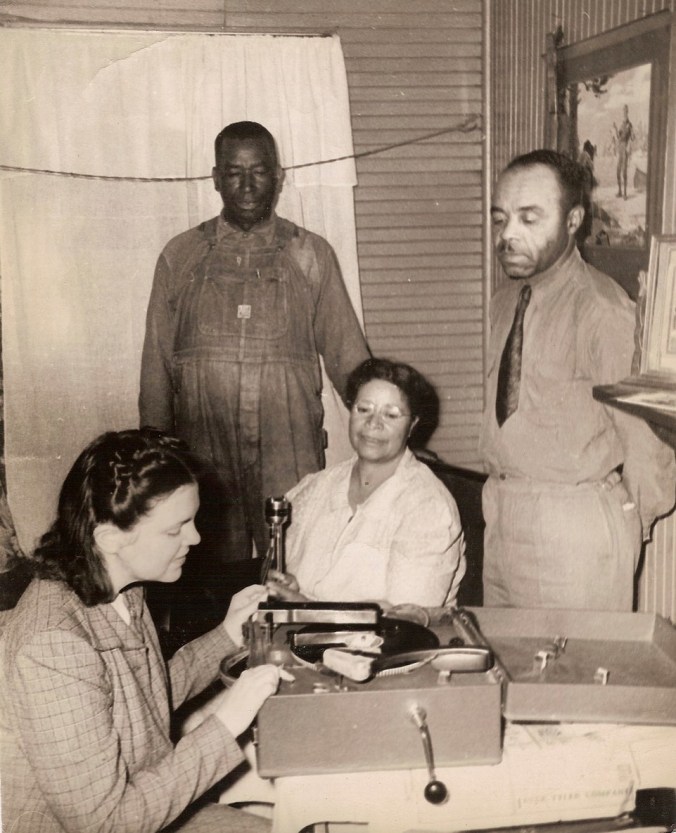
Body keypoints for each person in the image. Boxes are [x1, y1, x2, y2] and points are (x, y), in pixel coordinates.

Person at [0, 428, 282, 833]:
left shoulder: (121, 589)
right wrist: (230, 720)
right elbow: (108, 824)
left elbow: (145, 695)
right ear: (109, 537)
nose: (196, 537)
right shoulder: (53, 646)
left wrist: (229, 632)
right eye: (175, 529)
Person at [139, 120, 370, 589]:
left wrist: (384, 427)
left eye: (259, 171)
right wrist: (153, 461)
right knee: (200, 574)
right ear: (215, 177)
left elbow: (350, 361)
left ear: (279, 176)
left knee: (293, 568)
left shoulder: (312, 256)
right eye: (234, 172)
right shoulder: (179, 256)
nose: (246, 185)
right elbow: (156, 371)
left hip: (288, 446)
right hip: (203, 449)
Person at [480, 148, 676, 611]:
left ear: (573, 221)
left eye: (530, 218)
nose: (508, 235)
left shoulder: (603, 308)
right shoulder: (504, 302)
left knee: (573, 678)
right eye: (500, 218)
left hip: (574, 529)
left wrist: (629, 519)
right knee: (510, 674)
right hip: (503, 513)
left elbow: (650, 434)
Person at [266, 357, 466, 608]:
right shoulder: (314, 488)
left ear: (412, 425)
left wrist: (305, 606)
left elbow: (405, 621)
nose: (373, 423)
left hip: (387, 645)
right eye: (364, 409)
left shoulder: (427, 506)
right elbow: (281, 573)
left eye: (391, 415)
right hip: (304, 640)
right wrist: (291, 584)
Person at [614, 104, 635, 199]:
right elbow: (618, 137)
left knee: (624, 172)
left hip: (625, 149)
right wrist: (615, 129)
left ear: (628, 111)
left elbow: (633, 138)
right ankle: (620, 191)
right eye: (623, 111)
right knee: (618, 171)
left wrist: (629, 143)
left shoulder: (629, 124)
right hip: (620, 149)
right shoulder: (622, 124)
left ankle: (625, 193)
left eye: (625, 111)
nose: (624, 112)